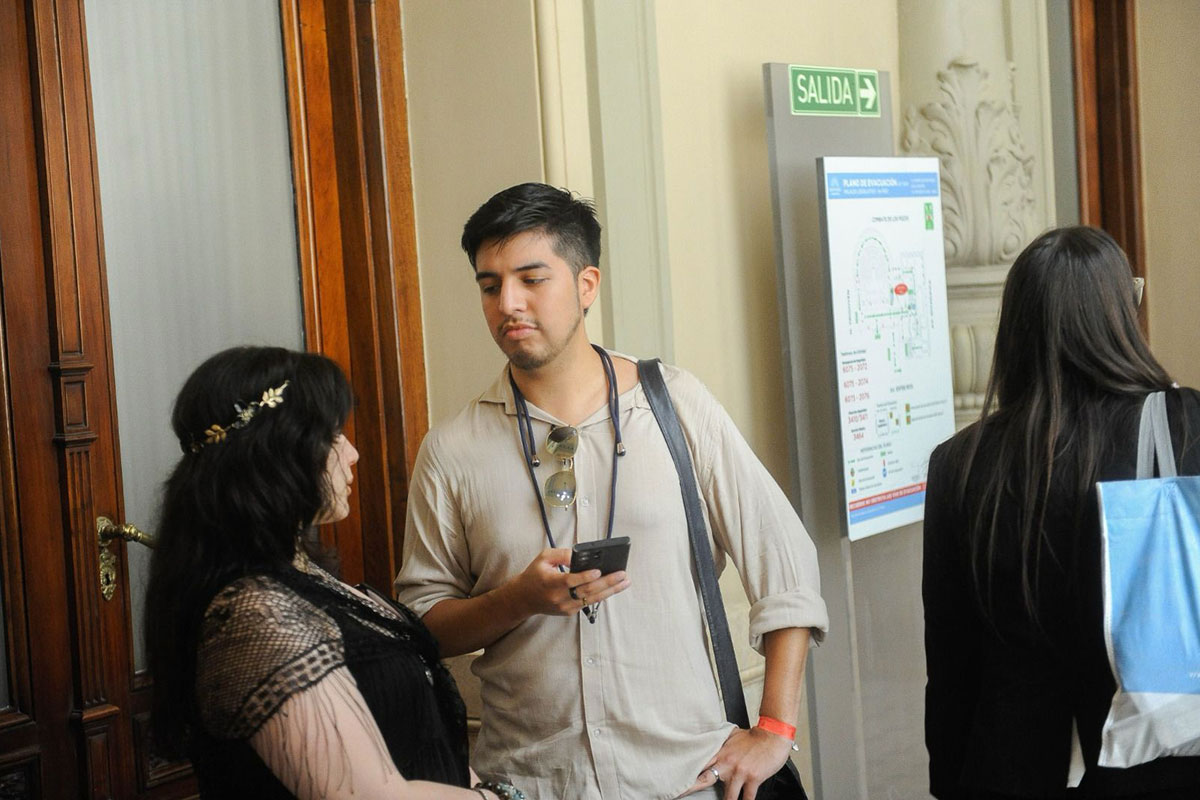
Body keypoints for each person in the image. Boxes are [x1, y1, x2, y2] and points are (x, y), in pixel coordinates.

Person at [394, 182, 828, 800]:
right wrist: (519, 599)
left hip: (686, 780)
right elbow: (424, 627)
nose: (508, 303)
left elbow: (785, 565)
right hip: (534, 784)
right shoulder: (452, 449)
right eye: (490, 286)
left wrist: (775, 729)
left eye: (531, 279)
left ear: (586, 284)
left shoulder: (677, 405)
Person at [143, 346, 525, 800]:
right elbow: (365, 795)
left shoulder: (309, 582)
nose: (353, 454)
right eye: (333, 437)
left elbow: (421, 736)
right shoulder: (254, 615)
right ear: (277, 453)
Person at [922, 226, 1200, 799]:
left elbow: (951, 669)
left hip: (1013, 768)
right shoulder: (1186, 426)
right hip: (1164, 759)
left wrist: (949, 783)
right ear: (1120, 315)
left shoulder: (961, 464)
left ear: (1015, 328)